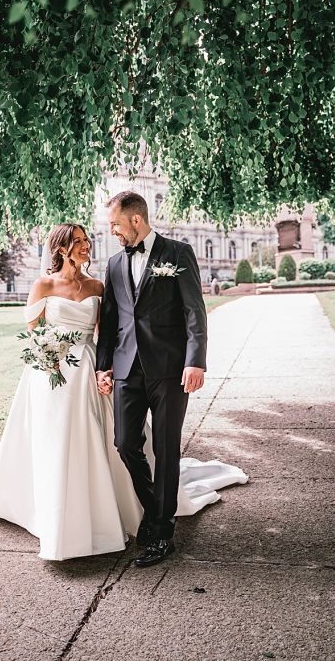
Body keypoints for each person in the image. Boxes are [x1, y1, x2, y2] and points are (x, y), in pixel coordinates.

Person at [0, 223, 246, 561]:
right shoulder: (43, 285)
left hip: (89, 369)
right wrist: (50, 356)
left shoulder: (97, 284)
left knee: (110, 440)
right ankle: (58, 512)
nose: (88, 246)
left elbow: (108, 331)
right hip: (50, 373)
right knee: (56, 441)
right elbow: (35, 332)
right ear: (61, 249)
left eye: (88, 240)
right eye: (79, 242)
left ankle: (128, 511)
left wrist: (106, 368)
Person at [96, 191, 220, 568]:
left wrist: (195, 361)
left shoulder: (178, 253)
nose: (113, 231)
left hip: (169, 369)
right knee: (125, 444)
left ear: (136, 220)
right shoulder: (115, 263)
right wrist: (104, 366)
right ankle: (155, 508)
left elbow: (194, 311)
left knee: (166, 449)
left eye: (116, 224)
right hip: (126, 370)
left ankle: (163, 532)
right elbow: (112, 320)